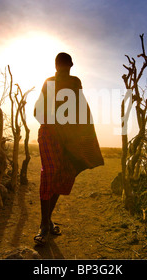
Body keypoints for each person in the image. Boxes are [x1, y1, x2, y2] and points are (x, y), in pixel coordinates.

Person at [33, 52, 104, 245]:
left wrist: (79, 134)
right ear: (56, 66)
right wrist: (54, 124)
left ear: (71, 66)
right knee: (49, 173)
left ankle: (47, 221)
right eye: (61, 66)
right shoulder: (50, 82)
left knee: (63, 175)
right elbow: (37, 111)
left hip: (68, 138)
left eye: (66, 66)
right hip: (49, 134)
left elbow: (81, 108)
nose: (63, 69)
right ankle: (43, 224)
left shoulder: (74, 82)